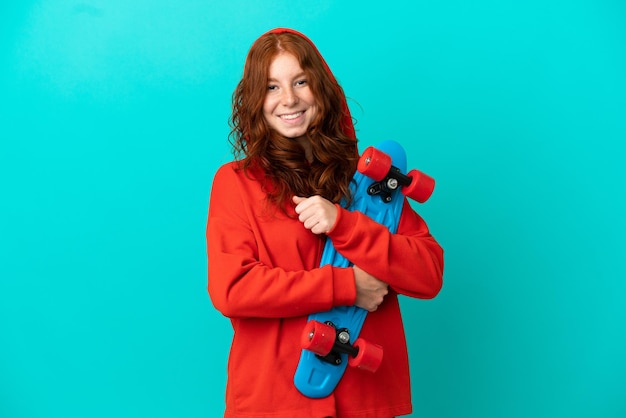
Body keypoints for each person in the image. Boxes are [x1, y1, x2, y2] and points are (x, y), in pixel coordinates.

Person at [206, 27, 444, 418]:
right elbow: (233, 288)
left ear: (322, 88)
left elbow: (429, 273)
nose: (289, 99)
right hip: (274, 402)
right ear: (254, 99)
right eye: (271, 87)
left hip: (365, 400)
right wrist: (346, 286)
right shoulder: (236, 183)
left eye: (301, 81)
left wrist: (346, 226)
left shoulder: (370, 186)